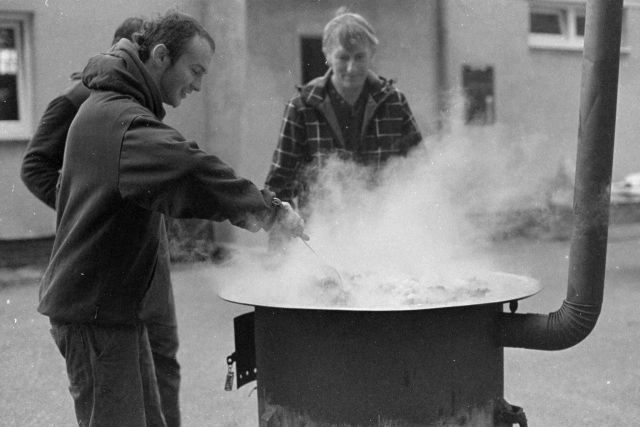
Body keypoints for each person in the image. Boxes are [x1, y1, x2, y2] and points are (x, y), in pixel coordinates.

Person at [35, 10, 304, 426]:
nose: (198, 84)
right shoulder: (121, 120)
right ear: (161, 56)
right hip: (95, 318)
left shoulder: (114, 107)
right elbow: (189, 169)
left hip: (113, 311)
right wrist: (270, 213)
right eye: (194, 70)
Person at [20, 16, 186, 427]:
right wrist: (86, 205)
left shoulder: (143, 103)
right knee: (114, 373)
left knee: (161, 353)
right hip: (102, 257)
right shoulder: (77, 101)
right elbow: (35, 165)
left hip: (146, 249)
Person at [265, 9, 423, 215]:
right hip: (321, 235)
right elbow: (278, 187)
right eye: (342, 57)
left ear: (372, 54)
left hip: (384, 230)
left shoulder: (395, 102)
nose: (351, 67)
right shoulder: (301, 107)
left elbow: (419, 170)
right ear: (328, 55)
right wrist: (284, 236)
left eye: (359, 57)